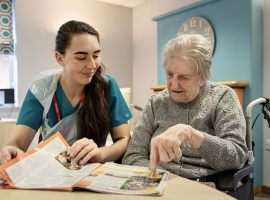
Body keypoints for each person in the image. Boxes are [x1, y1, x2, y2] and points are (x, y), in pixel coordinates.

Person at [0, 20, 132, 180]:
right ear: (60, 58)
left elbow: (124, 140)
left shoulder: (107, 86)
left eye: (96, 55)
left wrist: (100, 153)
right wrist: (10, 150)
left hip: (90, 176)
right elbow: (17, 143)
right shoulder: (42, 89)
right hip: (49, 174)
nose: (92, 65)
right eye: (82, 57)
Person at [122, 34, 248, 186]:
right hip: (159, 183)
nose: (173, 85)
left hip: (206, 185)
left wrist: (192, 135)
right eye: (169, 74)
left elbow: (236, 156)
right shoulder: (156, 102)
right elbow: (132, 156)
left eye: (184, 77)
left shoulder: (223, 97)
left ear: (202, 77)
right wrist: (164, 179)